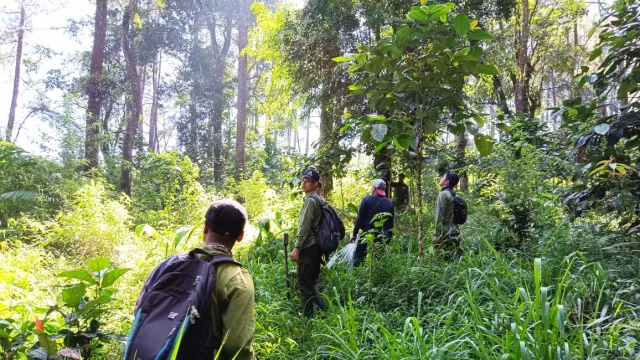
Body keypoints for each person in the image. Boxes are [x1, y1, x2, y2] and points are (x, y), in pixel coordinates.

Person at [132, 200, 255, 360]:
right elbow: (237, 346)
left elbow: (140, 311)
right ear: (240, 237)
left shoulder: (170, 264)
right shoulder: (237, 278)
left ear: (205, 227)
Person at [290, 168, 326, 316]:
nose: (303, 184)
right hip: (316, 246)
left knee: (305, 284)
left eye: (308, 181)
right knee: (311, 282)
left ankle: (307, 319)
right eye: (303, 181)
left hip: (308, 246)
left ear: (315, 184)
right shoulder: (320, 199)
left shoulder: (311, 201)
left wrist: (297, 247)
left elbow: (305, 226)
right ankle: (324, 311)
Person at [350, 179, 395, 267]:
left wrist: (354, 234)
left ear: (374, 188)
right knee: (379, 261)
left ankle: (358, 277)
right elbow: (391, 224)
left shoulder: (366, 200)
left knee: (359, 257)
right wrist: (389, 239)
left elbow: (359, 219)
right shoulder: (390, 203)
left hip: (367, 235)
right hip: (383, 236)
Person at [434, 172, 462, 258]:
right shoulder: (454, 194)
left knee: (442, 259)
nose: (441, 179)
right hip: (455, 231)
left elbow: (440, 214)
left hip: (445, 233)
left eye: (443, 177)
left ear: (447, 182)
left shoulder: (443, 194)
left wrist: (437, 234)